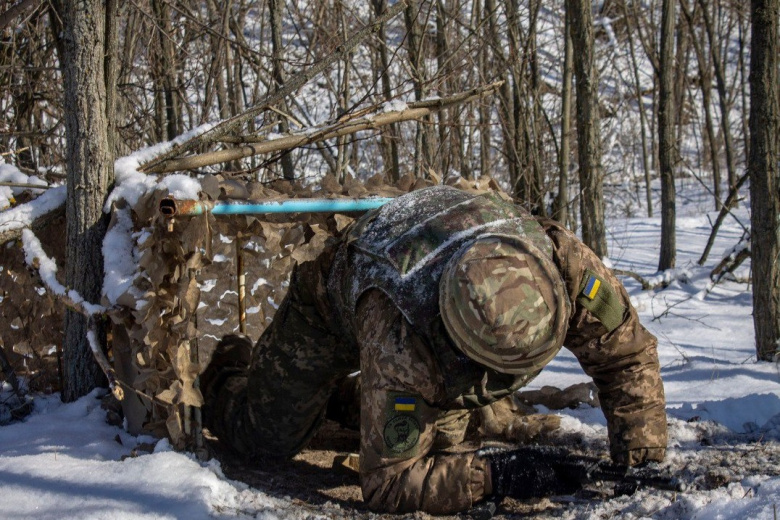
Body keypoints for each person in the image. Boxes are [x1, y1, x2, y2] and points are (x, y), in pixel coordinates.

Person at [201, 185, 667, 514]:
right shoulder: (403, 335)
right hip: (329, 309)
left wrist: (640, 457)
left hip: (427, 266)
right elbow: (388, 484)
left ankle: (355, 403)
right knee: (264, 438)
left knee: (443, 437)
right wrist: (497, 477)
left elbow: (627, 356)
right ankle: (228, 365)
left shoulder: (563, 263)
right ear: (458, 344)